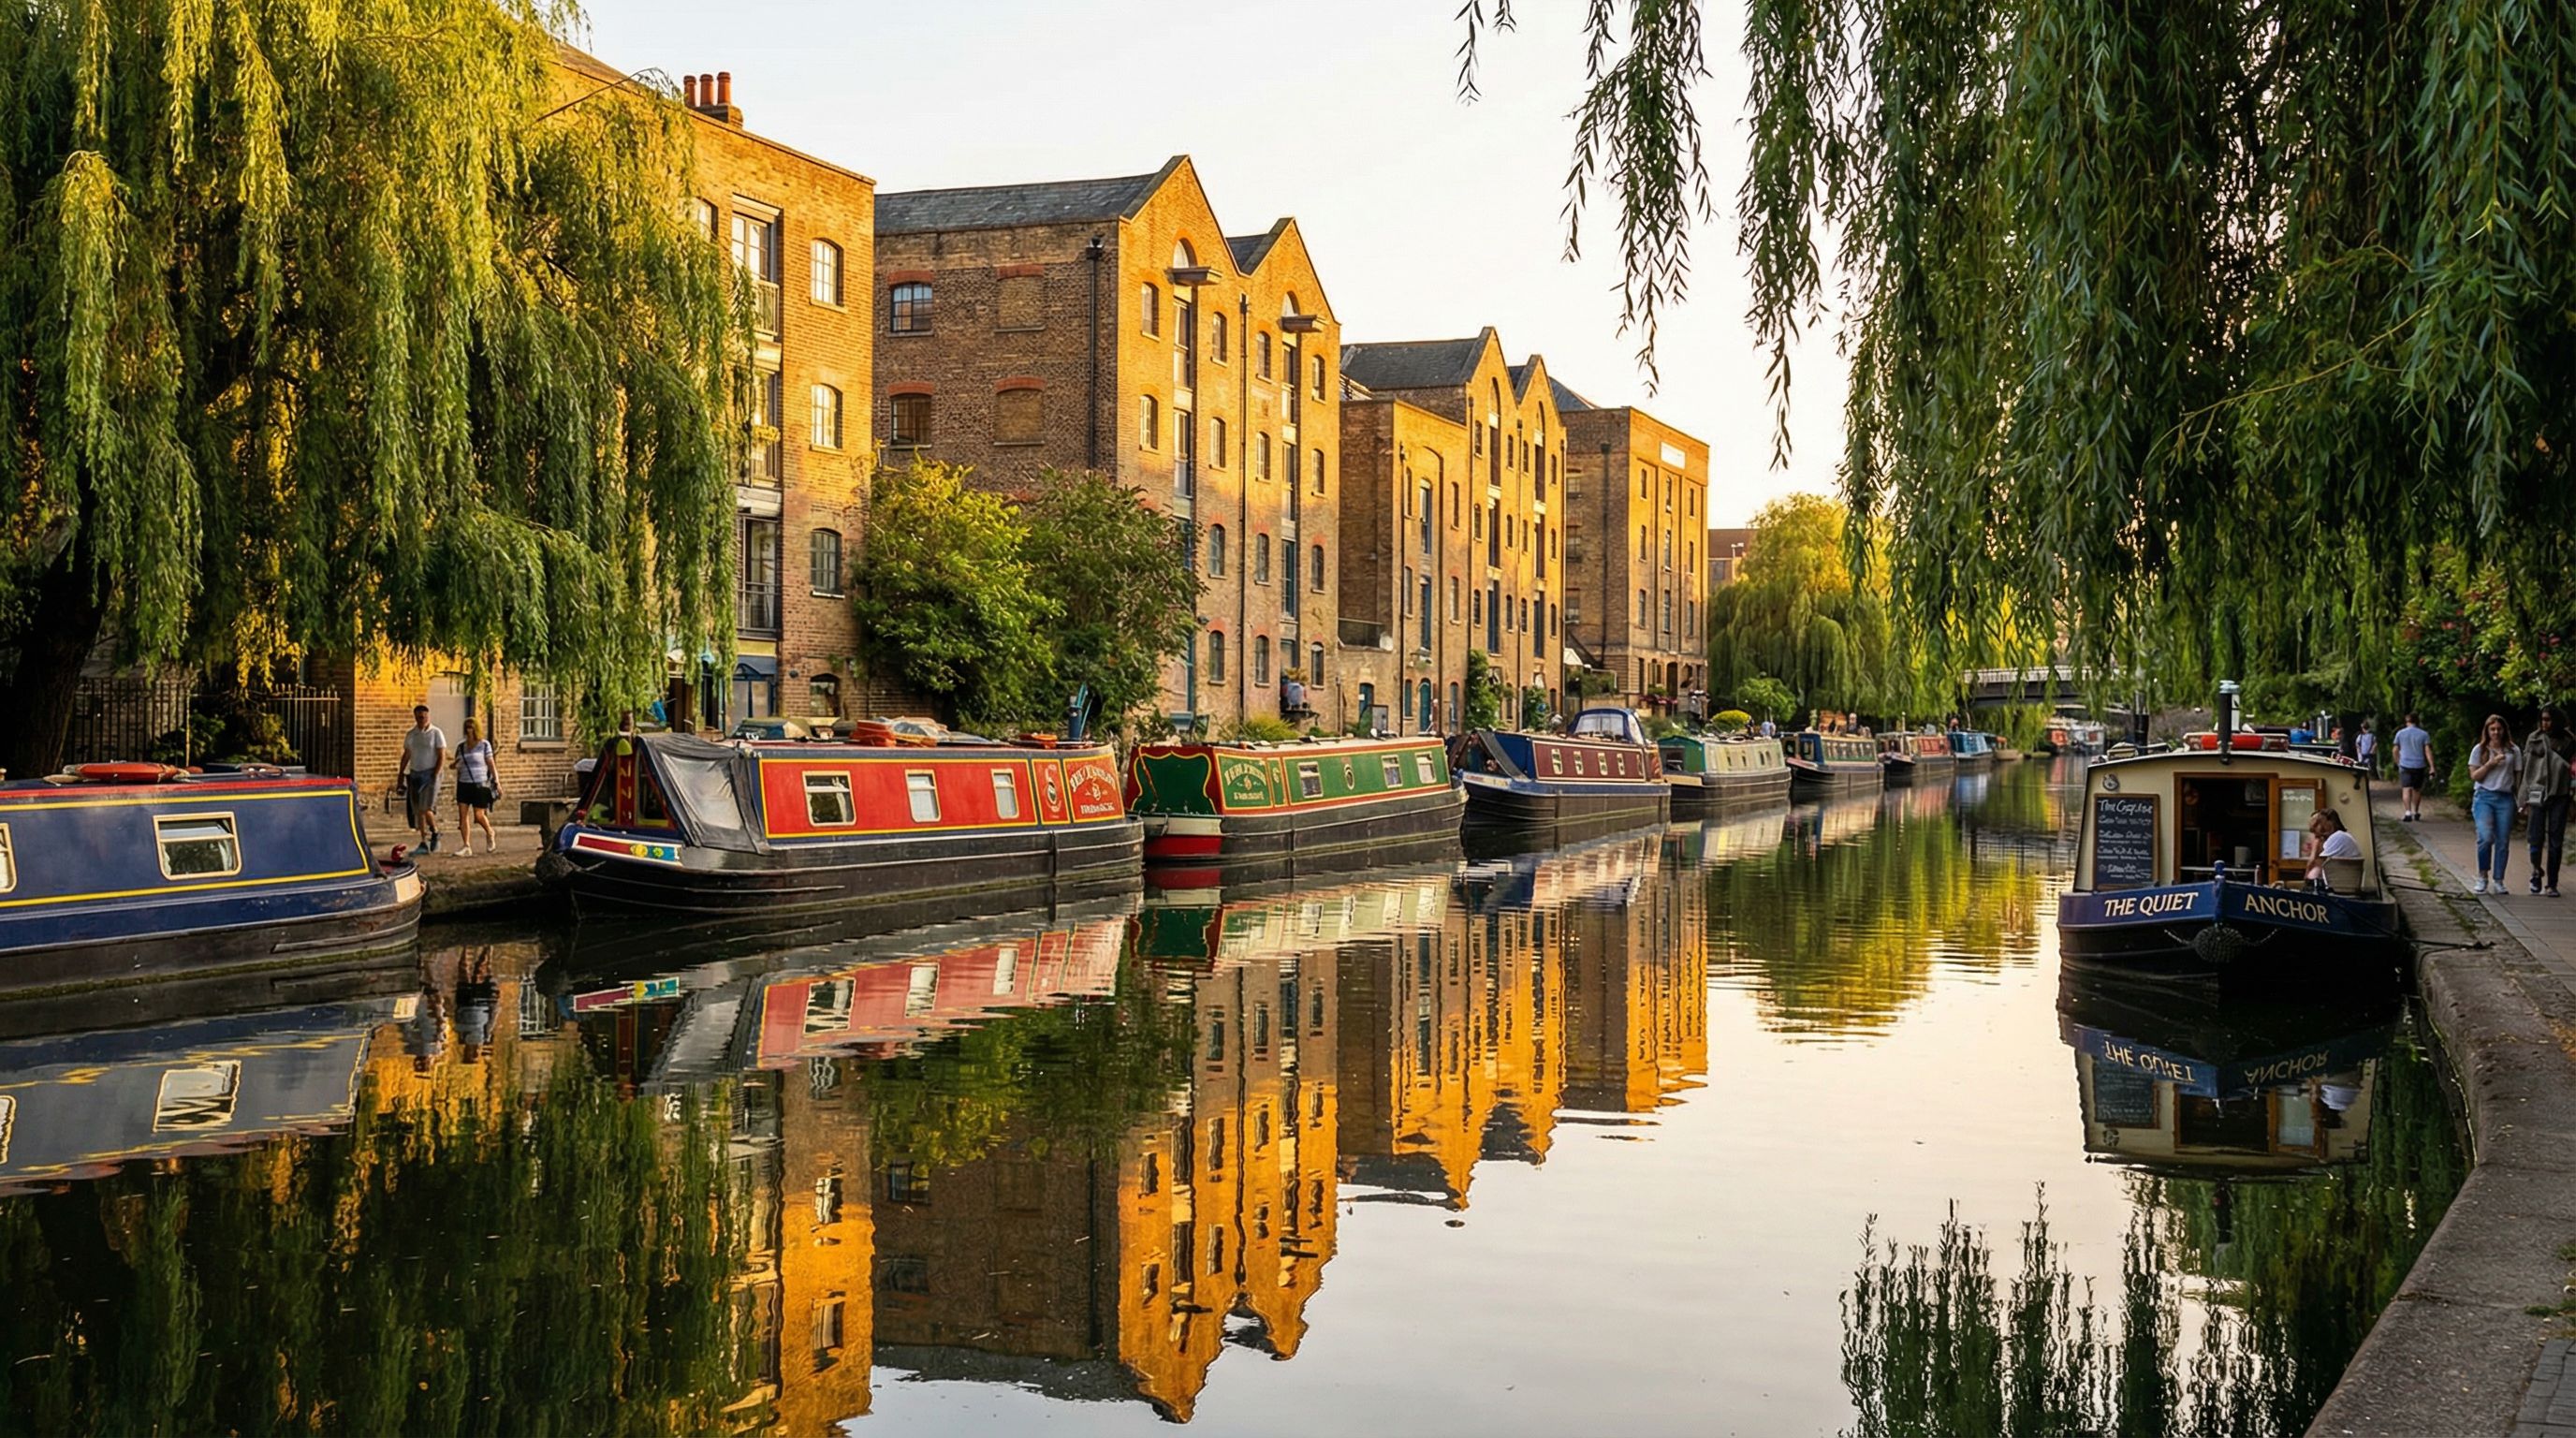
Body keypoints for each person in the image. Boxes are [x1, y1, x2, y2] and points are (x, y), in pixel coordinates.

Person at [2524, 708, 2575, 897]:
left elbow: (2573, 769)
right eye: (2542, 719)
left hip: (2560, 793)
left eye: (2549, 719)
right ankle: (2536, 870)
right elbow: (2527, 768)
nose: (2545, 723)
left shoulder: (2569, 741)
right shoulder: (2534, 739)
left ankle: (2552, 883)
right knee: (2535, 837)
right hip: (2537, 791)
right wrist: (2523, 797)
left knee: (2556, 840)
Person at [2469, 712, 2523, 893]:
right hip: (2484, 797)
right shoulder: (2480, 750)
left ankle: (2499, 879)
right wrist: (2491, 763)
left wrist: (2521, 799)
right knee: (2485, 837)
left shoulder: (2513, 750)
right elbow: (2475, 776)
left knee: (2503, 841)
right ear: (2487, 731)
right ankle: (2482, 875)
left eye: (2499, 729)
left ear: (2504, 730)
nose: (2496, 732)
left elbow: (2518, 777)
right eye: (2492, 729)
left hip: (2505, 798)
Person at [397, 705, 447, 852]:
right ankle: (423, 841)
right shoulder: (412, 734)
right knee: (418, 809)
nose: (422, 719)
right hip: (415, 773)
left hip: (430, 773)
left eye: (424, 716)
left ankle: (435, 831)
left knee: (426, 807)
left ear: (428, 716)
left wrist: (435, 774)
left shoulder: (436, 733)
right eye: (419, 717)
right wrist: (400, 775)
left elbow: (441, 754)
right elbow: (406, 755)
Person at [452, 716, 500, 858]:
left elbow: (491, 763)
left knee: (479, 815)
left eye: (471, 727)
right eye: (467, 727)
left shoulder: (484, 745)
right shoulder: (461, 747)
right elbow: (457, 765)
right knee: (463, 816)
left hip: (479, 782)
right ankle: (466, 845)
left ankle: (490, 832)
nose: (469, 730)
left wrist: (496, 780)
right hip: (464, 783)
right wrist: (454, 766)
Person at [2304, 808, 2363, 887]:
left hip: (2342, 886)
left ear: (2330, 822)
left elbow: (2320, 860)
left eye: (2319, 823)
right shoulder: (2340, 836)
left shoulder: (2338, 837)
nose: (2319, 828)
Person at [2393, 713, 2433, 820]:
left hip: (2405, 764)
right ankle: (2416, 811)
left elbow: (2395, 750)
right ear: (2417, 721)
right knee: (2417, 789)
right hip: (2419, 764)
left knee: (2406, 789)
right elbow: (2427, 751)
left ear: (2406, 722)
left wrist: (2398, 762)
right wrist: (2432, 766)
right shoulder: (2424, 734)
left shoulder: (2400, 734)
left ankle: (2407, 812)